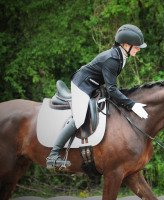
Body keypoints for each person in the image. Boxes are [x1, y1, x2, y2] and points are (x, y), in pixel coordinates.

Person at [46, 24, 148, 169]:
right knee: (79, 119)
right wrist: (132, 105)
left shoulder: (121, 55)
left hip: (93, 84)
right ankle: (53, 155)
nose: (139, 49)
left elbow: (110, 84)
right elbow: (112, 89)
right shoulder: (112, 59)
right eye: (137, 46)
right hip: (82, 85)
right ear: (126, 45)